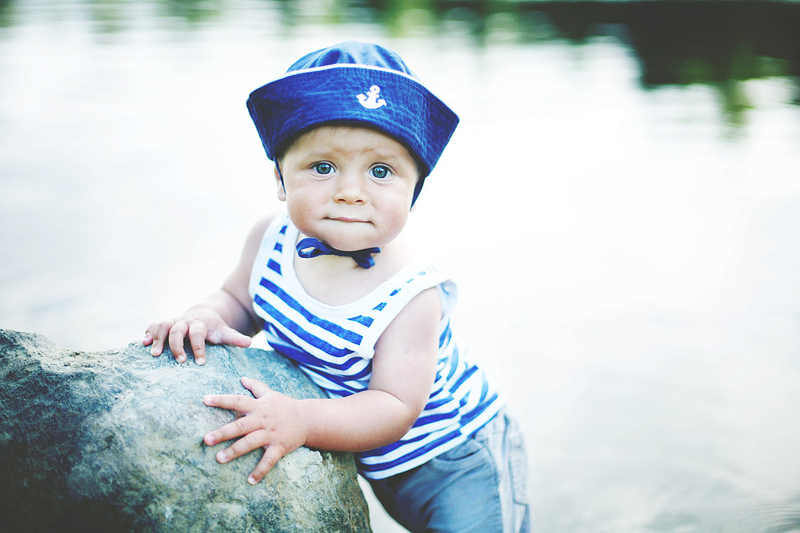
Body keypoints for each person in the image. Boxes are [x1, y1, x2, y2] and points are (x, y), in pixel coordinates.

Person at [143, 41, 530, 533]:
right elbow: (239, 300)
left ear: (415, 190)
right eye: (322, 167)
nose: (350, 191)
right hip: (373, 458)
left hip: (457, 463)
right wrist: (204, 317)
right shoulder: (269, 240)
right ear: (280, 178)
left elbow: (394, 406)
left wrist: (301, 420)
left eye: (381, 171)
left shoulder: (411, 292)